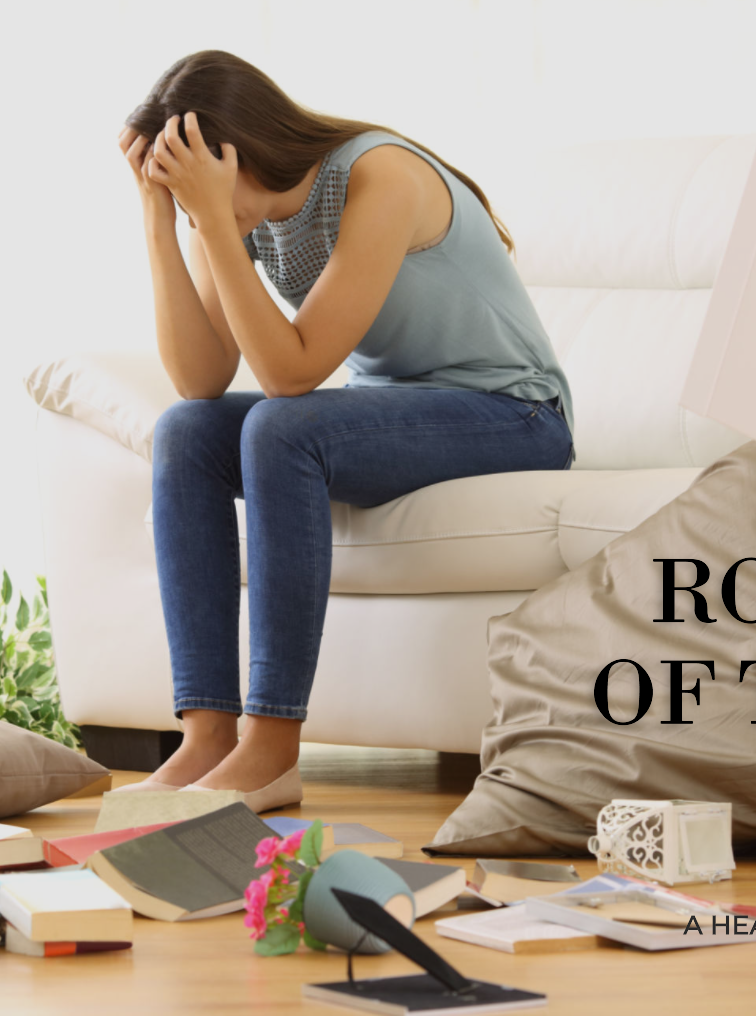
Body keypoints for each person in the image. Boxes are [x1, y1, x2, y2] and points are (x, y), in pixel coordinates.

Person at [116, 50, 575, 813]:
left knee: (279, 428)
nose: (201, 214)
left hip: (513, 413)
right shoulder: (236, 216)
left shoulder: (380, 176)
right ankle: (207, 733)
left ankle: (272, 749)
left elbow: (291, 377)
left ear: (238, 153)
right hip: (393, 415)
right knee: (187, 431)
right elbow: (199, 380)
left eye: (196, 192)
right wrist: (165, 223)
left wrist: (220, 226)